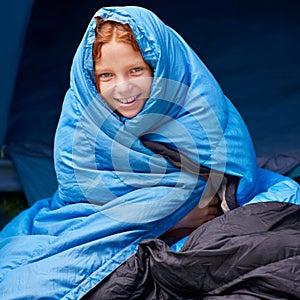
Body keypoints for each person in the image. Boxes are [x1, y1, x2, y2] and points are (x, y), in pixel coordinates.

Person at [0, 6, 299, 299]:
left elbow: (225, 167)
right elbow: (89, 199)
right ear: (91, 81)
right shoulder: (86, 125)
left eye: (136, 70)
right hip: (118, 227)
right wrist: (172, 220)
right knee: (39, 277)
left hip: (192, 227)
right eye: (107, 76)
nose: (123, 88)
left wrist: (191, 206)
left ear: (161, 69)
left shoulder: (194, 112)